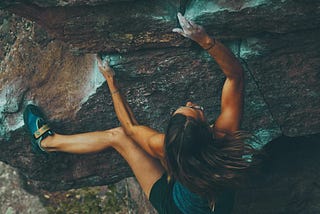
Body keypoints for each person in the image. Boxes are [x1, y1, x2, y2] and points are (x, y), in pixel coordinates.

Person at [24, 13, 259, 213]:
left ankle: (48, 142)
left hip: (174, 206)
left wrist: (112, 83)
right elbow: (235, 76)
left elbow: (130, 128)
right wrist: (205, 40)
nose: (192, 102)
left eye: (193, 108)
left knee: (118, 137)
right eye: (193, 109)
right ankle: (48, 143)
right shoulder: (225, 141)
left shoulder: (164, 146)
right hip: (213, 203)